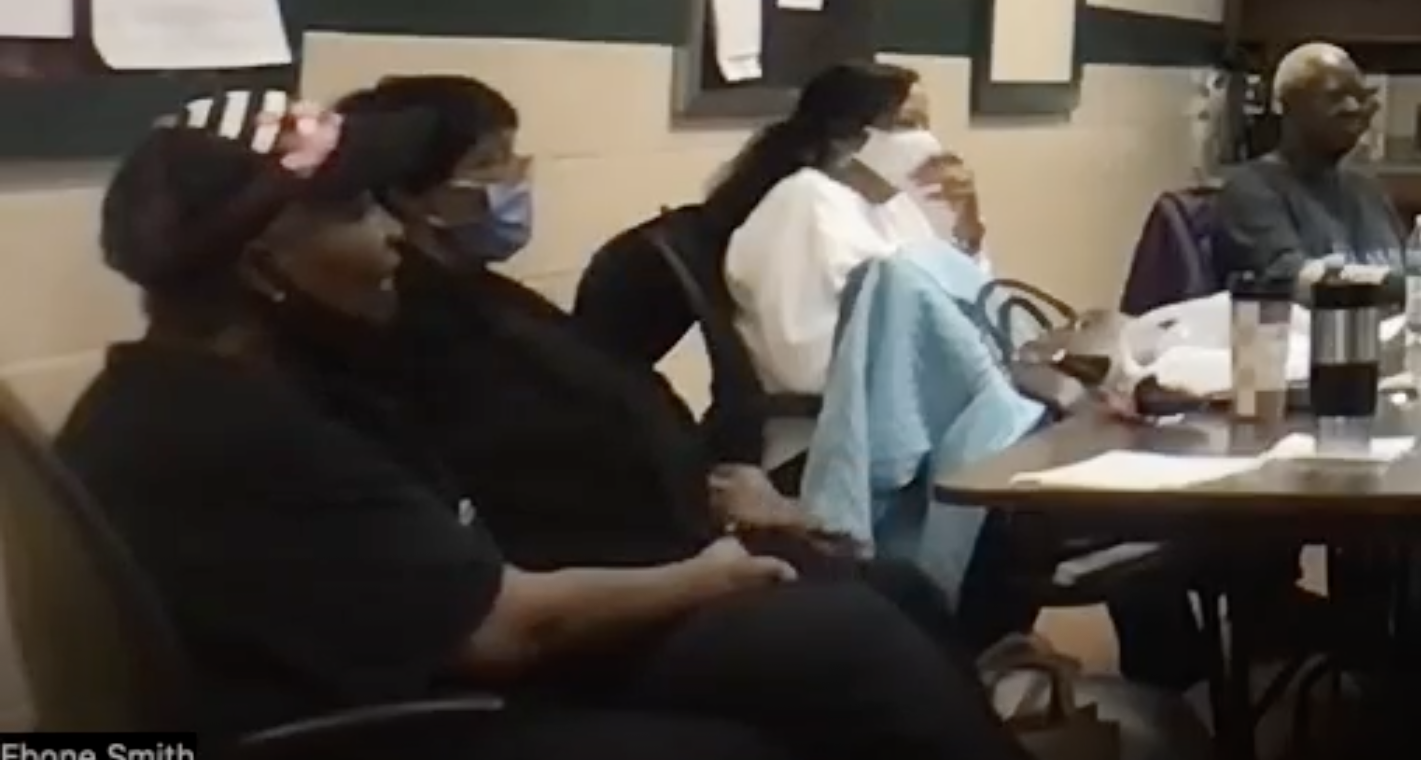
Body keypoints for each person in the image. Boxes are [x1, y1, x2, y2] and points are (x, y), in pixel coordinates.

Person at [54, 92, 1040, 760]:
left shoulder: (241, 387)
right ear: (267, 265)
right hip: (353, 749)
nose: (394, 233)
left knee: (837, 636)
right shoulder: (233, 429)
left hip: (409, 694)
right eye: (355, 208)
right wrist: (709, 574)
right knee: (809, 680)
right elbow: (500, 624)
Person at [315, 76, 964, 649]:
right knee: (867, 633)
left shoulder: (490, 299)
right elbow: (538, 498)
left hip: (693, 527)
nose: (517, 179)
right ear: (409, 197)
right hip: (628, 583)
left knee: (901, 591)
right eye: (490, 164)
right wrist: (708, 555)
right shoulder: (419, 335)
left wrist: (725, 492)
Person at [713, 62, 982, 400]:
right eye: (907, 125)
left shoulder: (897, 206)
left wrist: (966, 223)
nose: (928, 141)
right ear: (845, 138)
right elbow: (804, 364)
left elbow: (972, 301)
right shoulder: (804, 204)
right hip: (837, 423)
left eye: (926, 125)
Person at [1217, 42, 1405, 281]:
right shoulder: (1252, 190)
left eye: (1360, 97)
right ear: (1286, 105)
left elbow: (1417, 272)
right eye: (1335, 96)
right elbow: (1295, 281)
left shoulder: (1368, 190)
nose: (1353, 108)